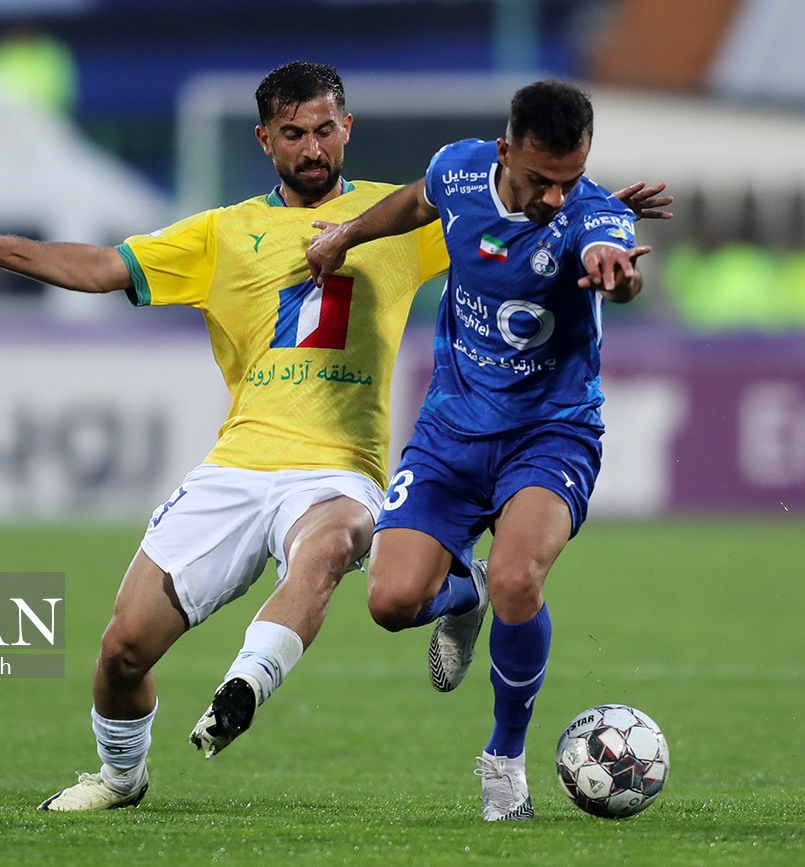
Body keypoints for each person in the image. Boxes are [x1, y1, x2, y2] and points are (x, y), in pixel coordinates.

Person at [0, 62, 671, 813]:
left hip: (342, 468)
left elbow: (521, 227)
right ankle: (120, 777)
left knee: (332, 549)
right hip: (239, 462)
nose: (313, 147)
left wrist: (598, 225)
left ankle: (249, 688)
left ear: (346, 128)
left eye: (325, 130)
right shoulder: (222, 233)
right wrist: (0, 248)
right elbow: (104, 266)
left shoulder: (404, 215)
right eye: (294, 134)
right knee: (124, 647)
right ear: (265, 140)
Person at [306, 80, 650, 821]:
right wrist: (346, 235)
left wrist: (617, 276)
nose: (557, 197)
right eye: (541, 179)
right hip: (450, 433)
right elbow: (417, 200)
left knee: (519, 577)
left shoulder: (592, 212)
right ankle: (464, 594)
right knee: (391, 602)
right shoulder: (460, 170)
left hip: (551, 431)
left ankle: (504, 763)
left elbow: (610, 251)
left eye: (571, 178)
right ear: (504, 152)